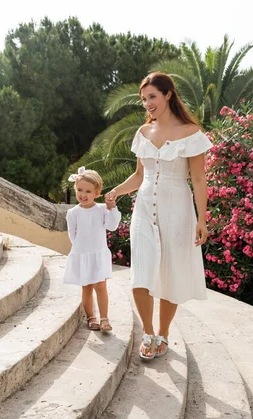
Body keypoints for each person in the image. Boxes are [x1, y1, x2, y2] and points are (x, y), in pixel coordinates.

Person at [106, 72, 212, 359]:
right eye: (144, 99)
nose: (147, 104)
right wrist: (116, 190)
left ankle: (163, 334)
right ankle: (148, 332)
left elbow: (199, 180)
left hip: (177, 209)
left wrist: (202, 219)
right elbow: (140, 176)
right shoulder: (143, 133)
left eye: (152, 96)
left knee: (169, 275)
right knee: (141, 272)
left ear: (168, 94)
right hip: (143, 208)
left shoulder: (191, 133)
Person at [64, 167, 121, 332]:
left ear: (97, 193)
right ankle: (91, 317)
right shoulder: (73, 213)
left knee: (101, 286)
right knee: (86, 287)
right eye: (80, 190)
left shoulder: (102, 209)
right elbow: (72, 235)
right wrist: (81, 251)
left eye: (88, 191)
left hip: (98, 253)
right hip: (83, 254)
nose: (83, 194)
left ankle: (104, 318)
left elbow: (111, 226)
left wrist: (112, 208)